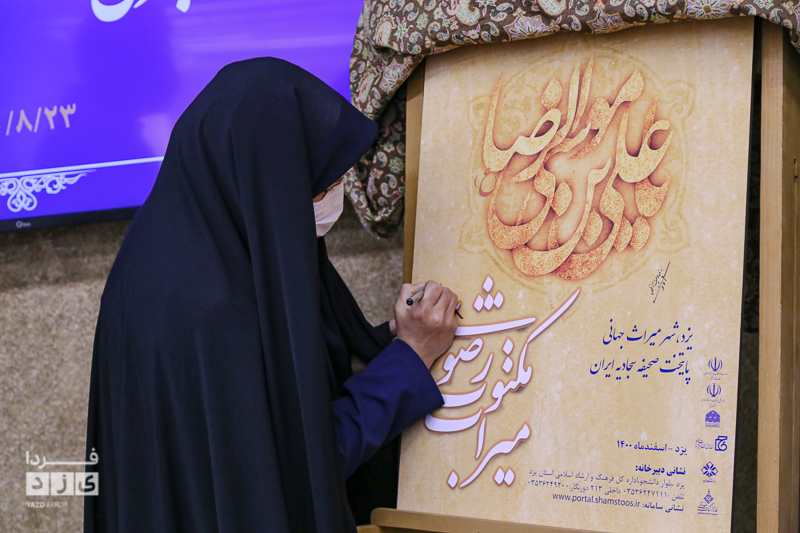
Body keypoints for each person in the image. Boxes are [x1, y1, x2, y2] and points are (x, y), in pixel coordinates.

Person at [83, 57, 459, 532]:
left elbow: (289, 371)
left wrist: (389, 340)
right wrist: (409, 359)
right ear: (271, 185)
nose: (334, 199)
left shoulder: (177, 252)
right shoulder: (213, 310)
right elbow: (294, 471)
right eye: (322, 186)